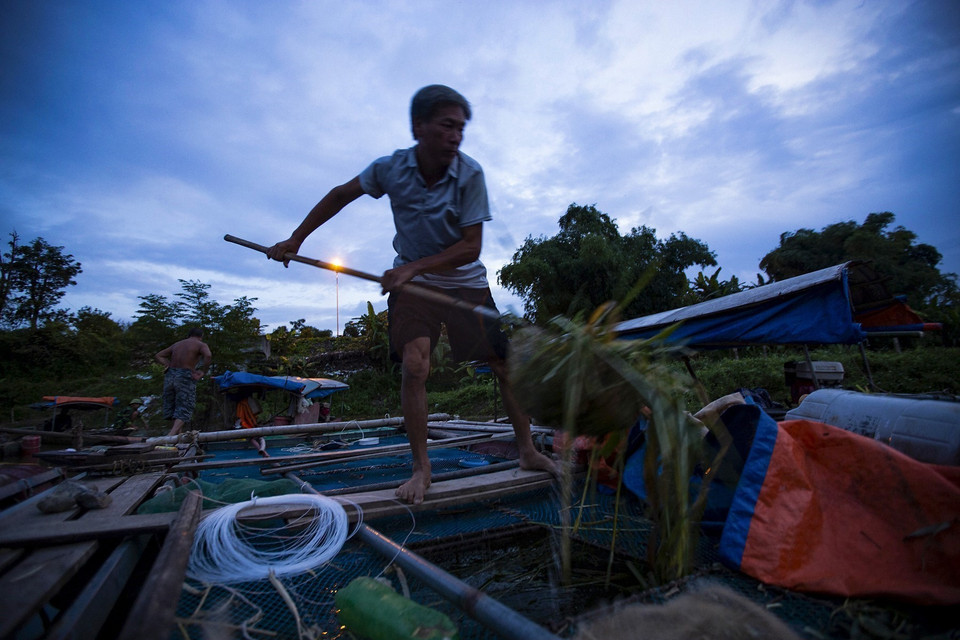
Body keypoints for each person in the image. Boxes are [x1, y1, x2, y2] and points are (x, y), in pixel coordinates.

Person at [268, 84, 557, 504]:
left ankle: (527, 451)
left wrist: (412, 268)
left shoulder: (470, 174)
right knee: (415, 366)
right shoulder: (391, 169)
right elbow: (339, 195)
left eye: (461, 128)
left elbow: (470, 247)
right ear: (419, 127)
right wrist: (296, 238)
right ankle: (422, 470)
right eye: (447, 126)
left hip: (462, 281)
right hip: (414, 286)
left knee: (503, 364)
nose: (456, 136)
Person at [155, 328, 212, 436]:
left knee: (174, 406)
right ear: (201, 336)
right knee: (185, 405)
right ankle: (170, 436)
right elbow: (208, 355)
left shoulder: (177, 344)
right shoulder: (200, 344)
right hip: (185, 375)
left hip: (170, 375)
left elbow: (159, 355)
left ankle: (177, 436)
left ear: (189, 335)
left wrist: (167, 364)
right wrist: (203, 371)